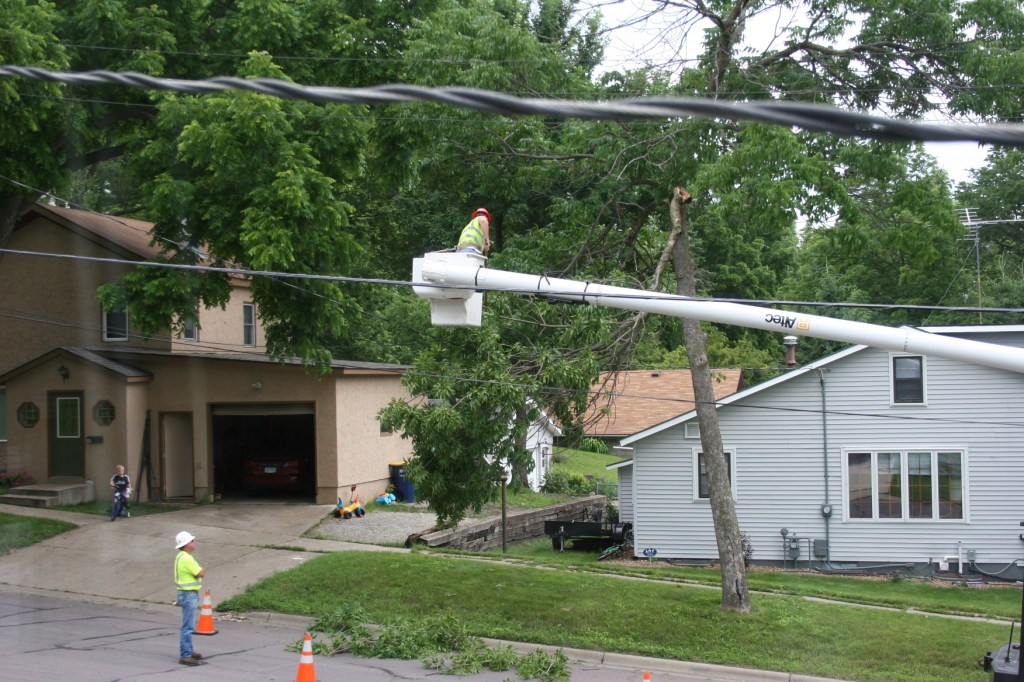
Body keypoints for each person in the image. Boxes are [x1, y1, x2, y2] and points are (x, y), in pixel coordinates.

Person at [173, 531, 206, 666]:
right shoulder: (186, 558)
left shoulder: (181, 556)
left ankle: (188, 650)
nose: (194, 542)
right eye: (192, 541)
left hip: (186, 593)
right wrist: (201, 569)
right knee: (188, 626)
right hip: (188, 594)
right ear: (186, 544)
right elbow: (201, 573)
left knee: (189, 625)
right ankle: (185, 655)